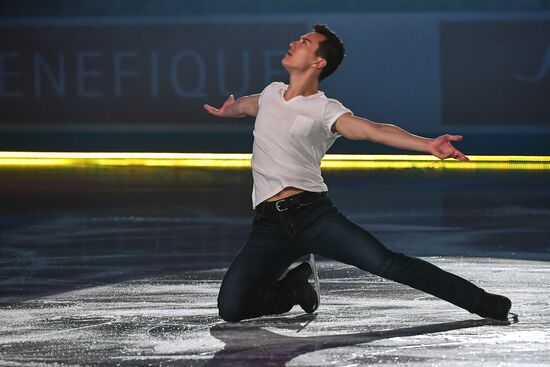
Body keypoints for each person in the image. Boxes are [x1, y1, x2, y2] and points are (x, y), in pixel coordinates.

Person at [202, 24, 512, 323]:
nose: (294, 43)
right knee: (231, 309)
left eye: (304, 42)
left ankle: (480, 301)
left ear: (318, 62)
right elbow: (245, 105)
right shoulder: (271, 94)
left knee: (387, 263)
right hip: (268, 225)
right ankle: (293, 289)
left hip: (313, 217)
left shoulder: (324, 109)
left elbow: (372, 130)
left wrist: (427, 144)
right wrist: (226, 110)